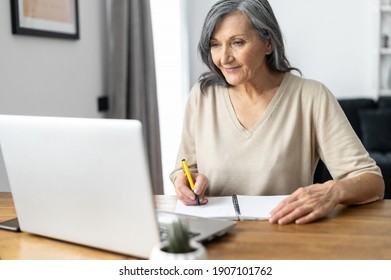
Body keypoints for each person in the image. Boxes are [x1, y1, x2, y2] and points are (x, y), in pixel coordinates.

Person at [170, 0, 385, 224]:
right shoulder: (203, 96)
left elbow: (372, 181)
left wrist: (332, 191)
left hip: (285, 237)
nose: (224, 58)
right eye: (215, 44)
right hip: (213, 236)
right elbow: (183, 169)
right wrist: (185, 181)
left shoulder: (311, 96)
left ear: (268, 43)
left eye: (237, 42)